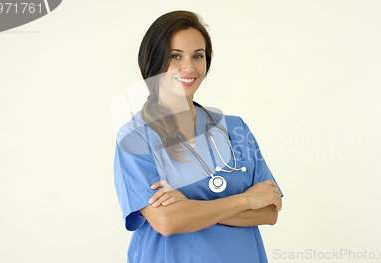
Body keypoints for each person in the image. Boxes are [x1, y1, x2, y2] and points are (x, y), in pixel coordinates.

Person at [114, 10, 283, 263]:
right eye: (175, 56)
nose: (189, 67)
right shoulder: (136, 137)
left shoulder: (235, 129)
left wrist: (190, 209)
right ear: (153, 62)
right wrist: (246, 199)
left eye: (198, 56)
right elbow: (167, 220)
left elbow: (270, 210)